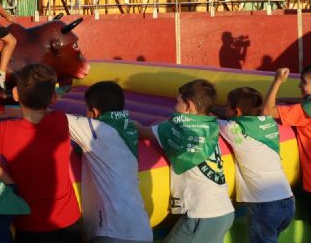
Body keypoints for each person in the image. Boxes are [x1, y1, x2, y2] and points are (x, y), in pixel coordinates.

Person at [0, 63, 82, 243]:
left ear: (15, 93)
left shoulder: (4, 131)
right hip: (69, 222)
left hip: (31, 226)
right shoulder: (60, 120)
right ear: (54, 98)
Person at [136, 79, 234, 243]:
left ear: (188, 106)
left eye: (178, 102)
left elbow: (140, 131)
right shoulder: (211, 125)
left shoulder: (176, 129)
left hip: (202, 215)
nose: (175, 107)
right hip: (223, 210)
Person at [66, 81, 152, 243]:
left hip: (112, 231)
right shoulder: (128, 127)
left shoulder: (97, 130)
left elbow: (50, 116)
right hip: (141, 228)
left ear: (95, 111)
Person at [217, 87, 294, 243]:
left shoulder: (234, 129)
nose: (225, 109)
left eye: (227, 106)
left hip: (265, 205)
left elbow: (208, 120)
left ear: (237, 111)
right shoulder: (269, 122)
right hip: (288, 201)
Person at [263, 67, 311, 217]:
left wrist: (277, 81)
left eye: (303, 82)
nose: (299, 86)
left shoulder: (303, 112)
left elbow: (267, 111)